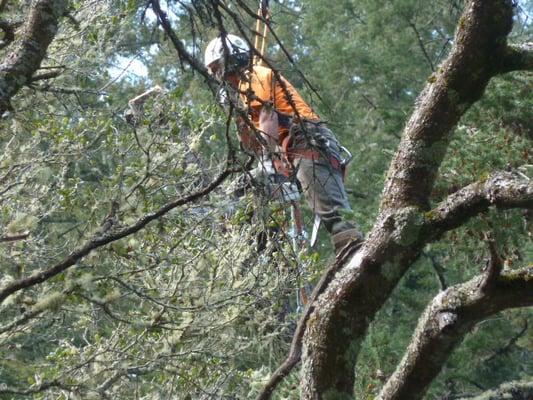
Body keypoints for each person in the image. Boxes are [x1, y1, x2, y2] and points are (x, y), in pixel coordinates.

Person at [204, 34, 363, 253]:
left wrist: (271, 159)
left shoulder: (254, 75)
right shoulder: (242, 95)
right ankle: (258, 254)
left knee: (333, 214)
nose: (216, 75)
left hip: (308, 139)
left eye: (216, 68)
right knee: (241, 192)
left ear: (231, 61)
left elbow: (268, 118)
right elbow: (253, 145)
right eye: (212, 71)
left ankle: (353, 250)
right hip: (287, 149)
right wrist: (238, 116)